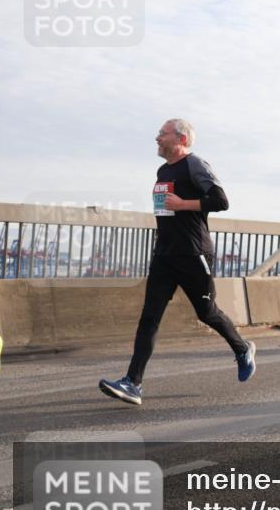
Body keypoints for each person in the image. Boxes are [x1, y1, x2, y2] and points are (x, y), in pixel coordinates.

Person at [98, 119, 256, 405]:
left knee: (207, 313)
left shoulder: (195, 164)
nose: (157, 137)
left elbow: (221, 200)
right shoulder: (163, 170)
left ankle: (242, 348)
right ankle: (133, 383)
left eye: (162, 133)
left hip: (193, 254)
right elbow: (166, 213)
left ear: (181, 138)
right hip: (165, 255)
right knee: (150, 317)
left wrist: (183, 204)